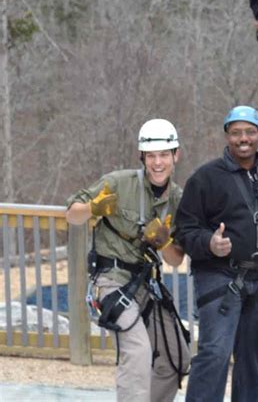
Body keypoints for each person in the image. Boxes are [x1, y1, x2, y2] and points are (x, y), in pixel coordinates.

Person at [174, 105, 258, 402]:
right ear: (227, 137)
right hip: (220, 277)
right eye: (236, 133)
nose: (243, 139)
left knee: (252, 358)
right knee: (215, 352)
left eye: (249, 132)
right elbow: (184, 229)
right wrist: (209, 243)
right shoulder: (205, 179)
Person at [66, 118, 191, 402]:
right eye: (151, 156)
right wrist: (93, 207)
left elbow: (174, 260)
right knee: (137, 352)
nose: (157, 163)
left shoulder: (178, 198)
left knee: (176, 358)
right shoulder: (119, 183)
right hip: (111, 280)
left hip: (146, 285)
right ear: (142, 157)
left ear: (176, 155)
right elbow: (71, 214)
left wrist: (164, 242)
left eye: (163, 155)